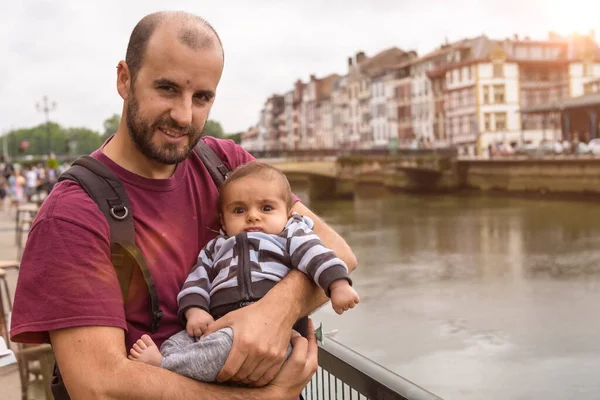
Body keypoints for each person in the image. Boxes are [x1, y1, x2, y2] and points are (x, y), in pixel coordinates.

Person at [10, 11, 357, 400]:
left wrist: (273, 311)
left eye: (202, 97)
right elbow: (98, 386)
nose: (184, 115)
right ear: (125, 79)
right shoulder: (72, 215)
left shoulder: (228, 167)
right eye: (167, 89)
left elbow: (339, 252)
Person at [128, 161, 360, 382]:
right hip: (219, 323)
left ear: (288, 214)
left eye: (266, 208)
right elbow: (197, 279)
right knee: (176, 342)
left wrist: (337, 284)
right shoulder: (215, 248)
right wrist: (195, 310)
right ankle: (172, 358)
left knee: (221, 349)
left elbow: (316, 254)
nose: (253, 216)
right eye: (239, 210)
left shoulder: (290, 236)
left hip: (274, 336)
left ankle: (164, 366)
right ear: (223, 220)